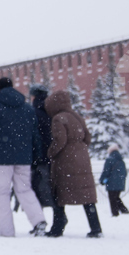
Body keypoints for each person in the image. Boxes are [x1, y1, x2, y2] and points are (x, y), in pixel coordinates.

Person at [0, 77, 48, 237]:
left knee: (2, 193)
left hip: (0, 158)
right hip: (23, 158)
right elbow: (35, 135)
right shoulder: (27, 108)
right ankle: (38, 221)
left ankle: (6, 230)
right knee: (25, 189)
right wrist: (36, 155)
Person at [44, 91, 103, 238]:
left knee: (59, 194)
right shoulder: (77, 116)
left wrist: (50, 153)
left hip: (65, 161)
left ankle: (57, 228)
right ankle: (96, 228)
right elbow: (87, 137)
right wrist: (79, 148)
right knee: (87, 196)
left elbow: (60, 140)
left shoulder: (59, 118)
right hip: (82, 159)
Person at [29, 85, 56, 211]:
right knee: (53, 188)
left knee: (36, 189)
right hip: (52, 155)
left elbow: (33, 136)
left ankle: (39, 221)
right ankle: (58, 218)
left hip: (37, 157)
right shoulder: (52, 111)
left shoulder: (33, 112)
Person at [100, 144, 129, 216]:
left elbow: (106, 171)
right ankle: (124, 210)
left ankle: (115, 213)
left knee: (112, 199)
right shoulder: (121, 160)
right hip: (120, 183)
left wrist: (102, 180)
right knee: (116, 197)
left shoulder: (109, 160)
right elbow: (125, 172)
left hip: (111, 183)